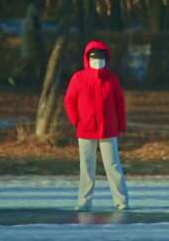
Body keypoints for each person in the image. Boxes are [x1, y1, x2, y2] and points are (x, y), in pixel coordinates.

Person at [64, 40, 129, 211]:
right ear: (87, 58)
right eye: (94, 56)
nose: (98, 60)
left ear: (107, 58)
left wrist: (120, 124)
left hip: (108, 129)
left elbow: (119, 103)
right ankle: (84, 202)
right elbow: (69, 100)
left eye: (101, 56)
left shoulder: (111, 79)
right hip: (85, 129)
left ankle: (121, 201)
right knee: (86, 167)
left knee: (113, 165)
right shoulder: (78, 78)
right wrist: (76, 120)